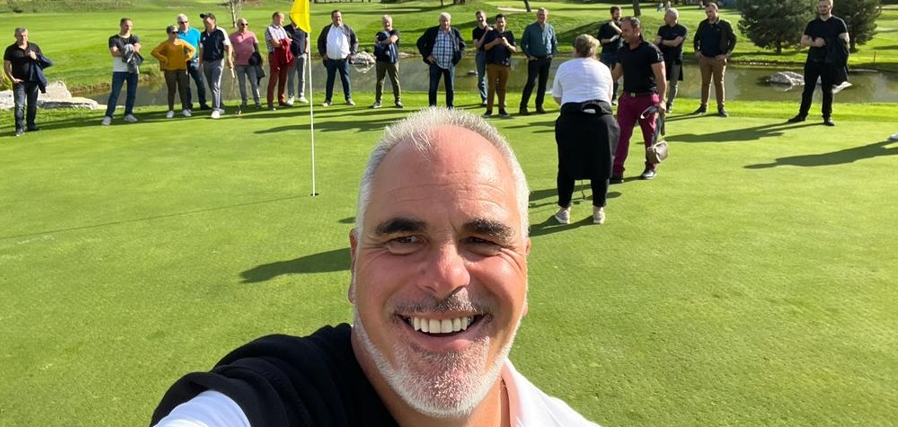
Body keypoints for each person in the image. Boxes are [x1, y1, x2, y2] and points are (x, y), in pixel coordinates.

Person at [150, 108, 600, 427]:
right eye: (403, 239)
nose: (446, 276)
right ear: (354, 264)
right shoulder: (272, 401)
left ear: (524, 268)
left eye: (482, 240)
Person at [551, 34, 619, 225]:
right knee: (602, 165)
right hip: (602, 120)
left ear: (575, 49)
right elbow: (609, 96)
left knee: (567, 165)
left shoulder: (564, 67)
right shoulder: (604, 68)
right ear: (594, 50)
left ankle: (564, 211)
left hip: (571, 120)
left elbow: (557, 97)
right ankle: (598, 211)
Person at [611, 16, 667, 182]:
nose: (623, 33)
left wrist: (662, 100)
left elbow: (661, 78)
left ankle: (651, 167)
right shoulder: (622, 50)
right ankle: (617, 171)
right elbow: (615, 75)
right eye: (622, 30)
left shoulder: (650, 50)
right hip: (627, 99)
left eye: (626, 30)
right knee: (621, 135)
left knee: (649, 136)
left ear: (637, 30)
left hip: (647, 99)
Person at [788, 0, 850, 126]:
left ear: (831, 7)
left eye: (825, 6)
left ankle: (827, 116)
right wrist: (815, 44)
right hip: (813, 60)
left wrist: (826, 42)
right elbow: (803, 41)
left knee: (827, 90)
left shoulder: (838, 23)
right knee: (808, 89)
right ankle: (802, 114)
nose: (822, 9)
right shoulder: (813, 24)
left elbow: (845, 39)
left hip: (829, 61)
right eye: (820, 6)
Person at [3, 27, 50, 136]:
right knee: (19, 105)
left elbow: (43, 62)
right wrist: (12, 79)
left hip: (33, 81)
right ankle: (19, 128)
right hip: (19, 82)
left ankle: (31, 125)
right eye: (20, 36)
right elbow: (6, 66)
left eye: (25, 35)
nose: (23, 38)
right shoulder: (10, 49)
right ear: (15, 36)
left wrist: (35, 57)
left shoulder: (34, 47)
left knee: (32, 105)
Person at [692, 2, 736, 117]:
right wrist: (697, 51)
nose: (708, 14)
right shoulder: (703, 24)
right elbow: (696, 38)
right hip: (705, 58)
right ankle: (703, 106)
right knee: (705, 83)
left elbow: (733, 39)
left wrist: (726, 55)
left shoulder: (724, 24)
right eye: (707, 12)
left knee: (719, 83)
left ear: (717, 11)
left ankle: (721, 107)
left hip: (718, 59)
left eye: (710, 11)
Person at [416, 12, 466, 109]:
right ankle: (432, 108)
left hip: (449, 64)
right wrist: (427, 56)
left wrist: (457, 57)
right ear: (439, 21)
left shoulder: (455, 32)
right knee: (433, 87)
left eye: (447, 21)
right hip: (435, 63)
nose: (445, 23)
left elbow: (462, 45)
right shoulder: (432, 31)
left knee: (450, 88)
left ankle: (450, 108)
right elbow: (420, 43)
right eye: (443, 21)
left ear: (450, 21)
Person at [102, 17, 142, 126]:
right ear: (121, 25)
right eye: (126, 25)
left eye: (130, 26)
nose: (128, 28)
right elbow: (114, 52)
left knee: (131, 93)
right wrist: (127, 51)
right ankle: (108, 116)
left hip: (133, 70)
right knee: (115, 93)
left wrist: (126, 51)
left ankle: (128, 114)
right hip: (119, 70)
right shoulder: (113, 39)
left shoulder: (134, 37)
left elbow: (137, 48)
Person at [150, 25, 196, 118]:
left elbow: (193, 49)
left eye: (177, 32)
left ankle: (185, 109)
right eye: (173, 32)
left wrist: (186, 57)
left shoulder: (181, 42)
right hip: (170, 69)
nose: (176, 34)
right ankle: (171, 110)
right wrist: (164, 59)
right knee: (171, 90)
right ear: (169, 33)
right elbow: (154, 52)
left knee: (183, 89)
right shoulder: (165, 44)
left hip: (182, 68)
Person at [519, 8, 558, 115]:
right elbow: (523, 43)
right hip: (534, 59)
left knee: (543, 84)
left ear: (547, 16)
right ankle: (523, 107)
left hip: (546, 59)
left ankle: (539, 106)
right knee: (531, 83)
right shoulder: (530, 28)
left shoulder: (550, 28)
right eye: (540, 14)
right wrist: (529, 56)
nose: (541, 16)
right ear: (537, 16)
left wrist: (553, 54)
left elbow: (554, 42)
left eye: (543, 15)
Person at [317, 9, 358, 107]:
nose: (338, 19)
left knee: (345, 79)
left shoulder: (347, 28)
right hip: (330, 60)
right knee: (330, 80)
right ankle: (328, 100)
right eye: (335, 17)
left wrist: (352, 53)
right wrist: (323, 54)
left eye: (339, 17)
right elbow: (320, 42)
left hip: (343, 60)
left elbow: (355, 41)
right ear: (332, 18)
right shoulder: (327, 29)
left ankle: (348, 98)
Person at [482, 14, 517, 119]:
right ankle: (489, 110)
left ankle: (501, 109)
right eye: (498, 22)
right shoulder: (491, 33)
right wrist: (495, 42)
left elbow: (515, 50)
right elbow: (485, 47)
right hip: (492, 64)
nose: (500, 24)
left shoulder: (509, 34)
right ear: (496, 23)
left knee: (502, 88)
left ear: (505, 23)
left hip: (505, 65)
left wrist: (506, 44)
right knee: (491, 88)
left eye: (502, 22)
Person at [200, 13, 234, 120]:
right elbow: (201, 50)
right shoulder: (203, 34)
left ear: (213, 20)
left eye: (207, 20)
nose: (205, 22)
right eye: (204, 21)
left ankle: (215, 109)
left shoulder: (220, 31)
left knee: (215, 84)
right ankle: (221, 106)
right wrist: (200, 63)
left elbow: (228, 46)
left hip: (218, 61)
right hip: (206, 62)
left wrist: (229, 58)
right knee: (212, 86)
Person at [653, 7, 688, 113]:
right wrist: (663, 42)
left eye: (666, 16)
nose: (664, 18)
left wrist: (662, 41)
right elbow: (656, 42)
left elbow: (675, 43)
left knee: (673, 83)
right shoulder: (662, 29)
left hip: (676, 59)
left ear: (673, 17)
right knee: (660, 81)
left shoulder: (682, 29)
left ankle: (669, 104)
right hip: (662, 59)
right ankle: (659, 101)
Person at [176, 13, 210, 112]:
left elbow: (201, 45)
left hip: (194, 61)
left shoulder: (195, 32)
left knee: (200, 83)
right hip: (182, 62)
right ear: (178, 23)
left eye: (186, 22)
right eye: (182, 22)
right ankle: (188, 105)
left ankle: (203, 103)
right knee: (185, 85)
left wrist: (200, 57)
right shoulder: (176, 34)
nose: (184, 24)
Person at [230, 18, 263, 113]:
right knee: (242, 84)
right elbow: (227, 46)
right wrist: (232, 53)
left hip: (250, 63)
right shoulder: (233, 36)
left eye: (246, 24)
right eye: (242, 24)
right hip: (239, 63)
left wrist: (258, 58)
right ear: (238, 25)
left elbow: (256, 47)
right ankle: (244, 101)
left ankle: (257, 101)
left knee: (254, 82)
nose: (244, 26)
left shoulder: (251, 34)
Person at [371, 15, 403, 109]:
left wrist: (381, 42)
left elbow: (392, 40)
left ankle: (398, 100)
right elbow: (376, 40)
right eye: (385, 22)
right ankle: (378, 101)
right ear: (382, 23)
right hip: (380, 60)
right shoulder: (379, 33)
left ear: (391, 22)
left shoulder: (395, 32)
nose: (386, 24)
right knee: (379, 82)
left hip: (392, 61)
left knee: (395, 81)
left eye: (388, 22)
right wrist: (382, 41)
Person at [264, 11, 291, 110]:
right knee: (273, 79)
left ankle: (281, 100)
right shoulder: (269, 29)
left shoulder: (282, 29)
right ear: (275, 18)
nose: (283, 20)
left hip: (284, 55)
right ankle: (270, 102)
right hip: (274, 55)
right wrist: (285, 42)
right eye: (281, 18)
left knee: (283, 78)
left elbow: (288, 41)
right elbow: (275, 44)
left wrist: (284, 42)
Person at [596, 6, 623, 104]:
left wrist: (614, 26)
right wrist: (610, 40)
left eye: (620, 13)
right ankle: (603, 96)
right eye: (617, 13)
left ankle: (614, 97)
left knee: (616, 76)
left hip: (618, 53)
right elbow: (599, 40)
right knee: (603, 75)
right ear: (612, 14)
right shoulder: (604, 26)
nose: (619, 15)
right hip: (606, 52)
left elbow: (623, 34)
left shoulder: (622, 24)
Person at [284, 17, 309, 104]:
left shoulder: (303, 28)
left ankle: (301, 95)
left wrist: (306, 51)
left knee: (302, 77)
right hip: (291, 57)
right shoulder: (286, 29)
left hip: (302, 55)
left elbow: (306, 40)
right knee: (291, 77)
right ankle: (291, 97)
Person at [472, 10, 491, 106]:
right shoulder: (475, 31)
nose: (480, 18)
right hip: (481, 54)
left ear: (485, 17)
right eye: (478, 17)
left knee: (494, 77)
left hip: (491, 54)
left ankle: (499, 99)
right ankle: (485, 99)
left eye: (481, 16)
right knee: (481, 79)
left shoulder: (492, 28)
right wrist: (486, 33)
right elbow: (478, 45)